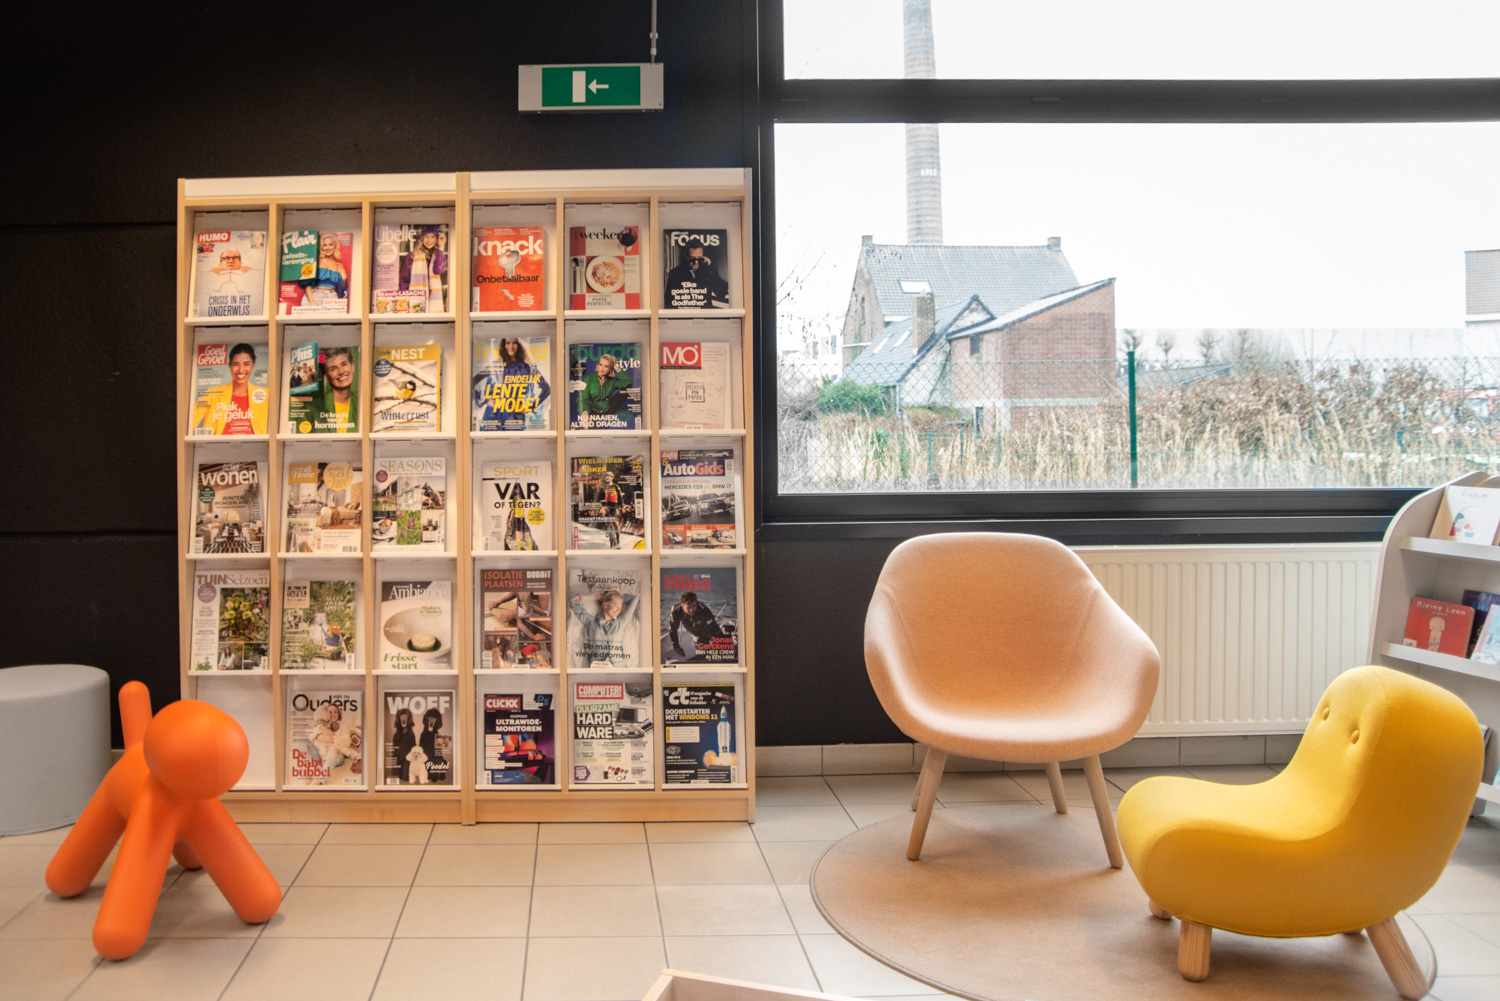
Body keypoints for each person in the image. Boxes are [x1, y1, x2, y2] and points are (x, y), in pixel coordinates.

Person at [193, 342, 268, 435]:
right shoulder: (212, 394)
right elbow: (187, 422)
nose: (241, 370)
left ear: (253, 364)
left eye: (246, 364)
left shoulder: (266, 394)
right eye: (236, 364)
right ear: (230, 365)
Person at [570, 586, 640, 668]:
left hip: (619, 667)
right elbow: (573, 601)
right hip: (597, 668)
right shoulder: (591, 622)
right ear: (605, 605)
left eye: (620, 607)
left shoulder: (621, 622)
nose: (618, 610)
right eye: (615, 605)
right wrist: (597, 597)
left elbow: (634, 598)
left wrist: (618, 597)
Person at [663, 236, 728, 309]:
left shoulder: (708, 272)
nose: (696, 262)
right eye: (692, 258)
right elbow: (669, 302)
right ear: (686, 256)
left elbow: (721, 293)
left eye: (699, 258)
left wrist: (711, 268)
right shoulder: (675, 273)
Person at [667, 590, 727, 662]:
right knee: (702, 647)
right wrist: (676, 647)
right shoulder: (676, 611)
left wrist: (719, 645)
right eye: (688, 607)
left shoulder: (704, 610)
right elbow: (672, 629)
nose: (692, 610)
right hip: (695, 632)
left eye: (694, 606)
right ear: (682, 606)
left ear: (696, 602)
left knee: (722, 644)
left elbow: (713, 628)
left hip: (706, 627)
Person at [401, 225, 448, 313]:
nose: (429, 240)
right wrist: (404, 300)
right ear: (421, 238)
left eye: (433, 237)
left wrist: (441, 248)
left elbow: (437, 270)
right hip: (415, 303)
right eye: (426, 236)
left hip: (433, 303)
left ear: (437, 239)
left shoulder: (439, 256)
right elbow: (404, 280)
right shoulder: (411, 256)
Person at [316, 346, 358, 432]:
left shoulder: (361, 404)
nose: (341, 371)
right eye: (333, 369)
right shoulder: (316, 408)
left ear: (353, 367)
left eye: (344, 364)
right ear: (327, 377)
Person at [302, 233, 349, 309]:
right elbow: (306, 283)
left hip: (332, 297)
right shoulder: (314, 261)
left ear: (335, 246)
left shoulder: (339, 266)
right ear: (321, 247)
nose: (328, 248)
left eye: (331, 244)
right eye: (324, 245)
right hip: (313, 296)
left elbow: (341, 293)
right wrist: (312, 301)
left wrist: (343, 278)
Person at [390, 708, 416, 784]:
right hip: (399, 760)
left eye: (405, 717)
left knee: (406, 778)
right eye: (401, 716)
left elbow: (413, 751)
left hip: (408, 760)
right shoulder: (396, 735)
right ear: (399, 718)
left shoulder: (411, 734)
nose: (403, 719)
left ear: (408, 718)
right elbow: (394, 753)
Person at [420, 707, 446, 783]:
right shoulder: (423, 734)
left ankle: (437, 774)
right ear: (426, 719)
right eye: (429, 718)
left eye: (434, 719)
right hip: (425, 760)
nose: (431, 721)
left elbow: (438, 755)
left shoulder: (437, 735)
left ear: (437, 721)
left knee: (441, 760)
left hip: (435, 761)